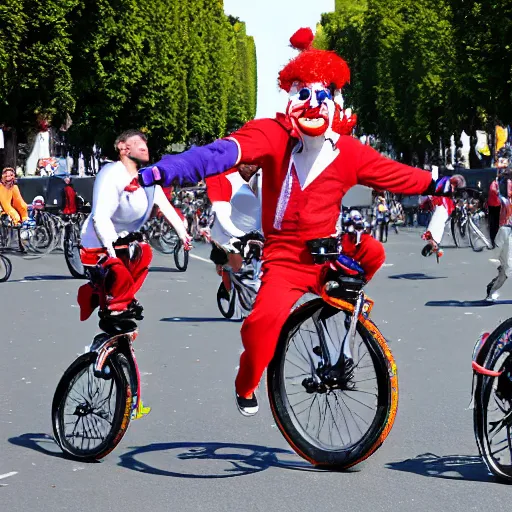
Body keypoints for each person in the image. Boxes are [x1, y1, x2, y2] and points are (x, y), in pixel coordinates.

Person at [139, 27, 463, 416]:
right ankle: (246, 383)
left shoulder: (349, 152)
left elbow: (393, 173)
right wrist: (166, 170)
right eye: (303, 94)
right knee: (261, 325)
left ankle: (335, 305)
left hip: (329, 250)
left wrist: (435, 182)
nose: (313, 104)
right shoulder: (273, 136)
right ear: (291, 97)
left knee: (372, 251)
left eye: (322, 96)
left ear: (335, 102)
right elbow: (220, 153)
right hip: (287, 258)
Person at [77, 130, 192, 321]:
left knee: (145, 254)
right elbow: (100, 217)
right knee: (117, 269)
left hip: (125, 242)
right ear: (123, 147)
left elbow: (165, 207)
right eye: (139, 143)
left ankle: (119, 299)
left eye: (146, 144)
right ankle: (114, 304)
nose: (144, 147)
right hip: (98, 241)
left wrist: (183, 234)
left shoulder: (148, 179)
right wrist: (111, 248)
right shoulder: (111, 174)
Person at [206, 164, 261, 273]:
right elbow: (220, 216)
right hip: (233, 236)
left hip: (257, 235)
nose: (251, 168)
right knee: (236, 272)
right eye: (248, 164)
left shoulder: (261, 177)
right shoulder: (227, 177)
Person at [485, 177, 512, 301]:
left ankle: (493, 289)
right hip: (505, 232)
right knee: (507, 268)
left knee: (507, 267)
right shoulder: (500, 198)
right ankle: (492, 291)